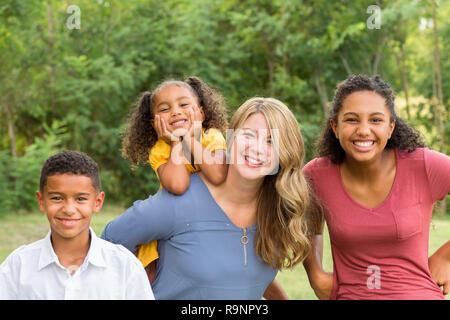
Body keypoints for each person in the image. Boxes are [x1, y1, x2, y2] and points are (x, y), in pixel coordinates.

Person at [102, 97, 319, 299]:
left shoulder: (278, 209)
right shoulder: (179, 203)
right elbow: (108, 243)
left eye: (271, 141)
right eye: (248, 135)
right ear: (231, 137)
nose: (257, 148)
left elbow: (242, 276)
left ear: (285, 153)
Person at [303, 74, 450, 300]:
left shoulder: (424, 166)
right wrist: (316, 276)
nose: (363, 130)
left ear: (390, 128)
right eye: (352, 119)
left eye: (375, 120)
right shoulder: (317, 175)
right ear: (335, 127)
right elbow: (309, 228)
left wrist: (446, 257)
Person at [0, 150, 154, 300]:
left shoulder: (125, 267)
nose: (68, 209)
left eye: (80, 199)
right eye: (56, 198)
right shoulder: (18, 266)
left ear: (97, 202)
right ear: (41, 201)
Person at [121, 76, 228, 280]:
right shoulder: (160, 150)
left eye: (184, 104)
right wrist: (176, 143)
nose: (175, 111)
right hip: (172, 216)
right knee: (148, 265)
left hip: (211, 215)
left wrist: (189, 138)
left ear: (201, 113)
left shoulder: (212, 137)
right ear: (154, 124)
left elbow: (218, 175)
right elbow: (178, 186)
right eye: (164, 109)